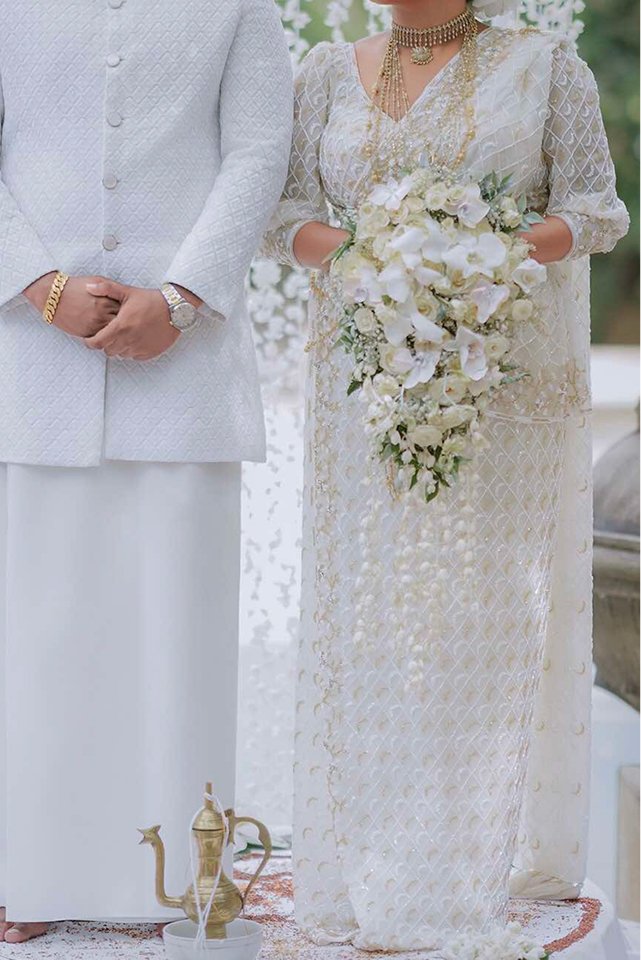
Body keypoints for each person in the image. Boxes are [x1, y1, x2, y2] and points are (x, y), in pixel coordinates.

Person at [262, 0, 629, 951]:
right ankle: (366, 864)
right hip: (365, 385)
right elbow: (287, 219)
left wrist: (473, 261)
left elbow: (596, 211)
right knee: (373, 615)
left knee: (478, 617)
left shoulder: (546, 68)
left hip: (501, 385)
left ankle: (458, 871)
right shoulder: (323, 74)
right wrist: (381, 257)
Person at [0, 0, 292, 943]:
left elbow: (258, 152)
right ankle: (27, 876)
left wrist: (185, 294)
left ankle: (175, 885)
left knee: (174, 635)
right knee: (34, 639)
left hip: (185, 368)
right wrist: (37, 285)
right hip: (31, 363)